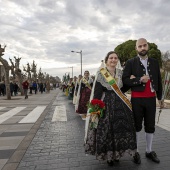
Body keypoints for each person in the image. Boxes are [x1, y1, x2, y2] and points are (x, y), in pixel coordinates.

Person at [84, 51, 137, 166]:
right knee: (108, 131)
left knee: (119, 130)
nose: (113, 60)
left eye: (115, 58)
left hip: (120, 104)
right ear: (107, 60)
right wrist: (96, 108)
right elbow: (97, 92)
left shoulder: (120, 73)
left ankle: (117, 154)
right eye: (111, 58)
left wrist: (131, 80)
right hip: (106, 104)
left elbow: (122, 89)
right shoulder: (101, 73)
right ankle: (109, 157)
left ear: (117, 60)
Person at [122, 38, 164, 164]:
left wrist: (160, 97)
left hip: (151, 99)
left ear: (148, 46)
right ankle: (136, 152)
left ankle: (149, 150)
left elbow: (158, 80)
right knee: (137, 126)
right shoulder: (130, 62)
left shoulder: (155, 62)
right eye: (140, 46)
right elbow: (125, 80)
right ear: (136, 48)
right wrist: (139, 80)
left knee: (150, 126)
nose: (142, 48)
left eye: (144, 45)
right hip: (137, 99)